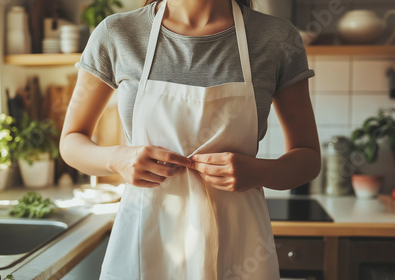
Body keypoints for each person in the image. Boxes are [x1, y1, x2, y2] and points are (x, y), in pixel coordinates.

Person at [60, 0, 320, 279]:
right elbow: (71, 140)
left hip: (239, 245)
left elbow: (308, 157)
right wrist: (117, 159)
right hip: (146, 242)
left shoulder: (277, 38)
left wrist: (259, 172)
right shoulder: (117, 33)